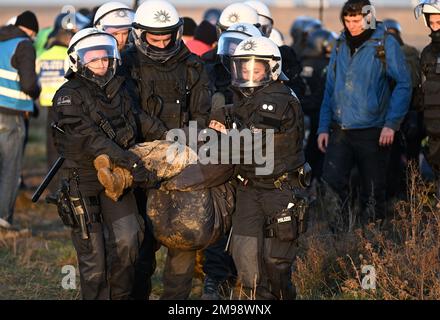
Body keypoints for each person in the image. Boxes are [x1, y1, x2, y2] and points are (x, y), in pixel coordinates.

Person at [51, 27, 166, 299]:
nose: (101, 63)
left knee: (128, 241)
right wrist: (132, 162)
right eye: (93, 58)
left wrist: (174, 136)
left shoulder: (119, 88)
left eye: (105, 57)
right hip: (83, 182)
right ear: (78, 61)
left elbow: (137, 119)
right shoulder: (68, 95)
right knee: (94, 260)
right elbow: (90, 139)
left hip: (118, 180)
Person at [120, 0, 211, 299]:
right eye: (153, 38)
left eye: (166, 37)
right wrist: (162, 137)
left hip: (183, 164)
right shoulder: (125, 64)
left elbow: (202, 115)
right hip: (140, 163)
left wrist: (184, 144)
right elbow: (127, 111)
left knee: (182, 243)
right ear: (140, 34)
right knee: (141, 246)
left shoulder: (193, 65)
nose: (161, 44)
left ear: (177, 33)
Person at [317, 0, 412, 231]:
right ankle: (338, 241)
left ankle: (371, 244)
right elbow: (330, 88)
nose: (352, 26)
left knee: (372, 191)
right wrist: (322, 126)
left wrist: (391, 124)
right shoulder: (339, 44)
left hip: (374, 131)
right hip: (341, 130)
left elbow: (404, 83)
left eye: (357, 20)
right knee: (331, 184)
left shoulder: (384, 44)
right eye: (347, 20)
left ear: (368, 18)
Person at [228, 36, 309, 300]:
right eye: (244, 68)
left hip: (280, 189)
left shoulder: (278, 99)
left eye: (256, 68)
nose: (248, 74)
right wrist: (222, 116)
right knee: (246, 260)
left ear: (272, 69)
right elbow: (239, 114)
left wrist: (215, 140)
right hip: (250, 188)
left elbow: (251, 141)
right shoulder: (246, 98)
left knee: (276, 263)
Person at [201, 22, 262, 300]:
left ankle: (248, 280)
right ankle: (215, 279)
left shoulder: (268, 84)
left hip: (254, 166)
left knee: (249, 225)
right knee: (218, 221)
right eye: (231, 48)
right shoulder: (213, 80)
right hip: (219, 162)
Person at [0, 11, 40, 230]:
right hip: (12, 113)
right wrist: (37, 91)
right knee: (10, 167)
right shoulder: (24, 45)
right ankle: (4, 219)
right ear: (32, 31)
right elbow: (29, 84)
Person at [301, 29, 337, 185]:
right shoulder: (327, 65)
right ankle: (318, 186)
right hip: (320, 116)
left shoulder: (301, 62)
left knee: (307, 154)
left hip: (303, 114)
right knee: (320, 154)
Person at [414, 0, 440, 199]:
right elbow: (421, 93)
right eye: (432, 22)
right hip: (433, 132)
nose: (435, 26)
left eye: (439, 21)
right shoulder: (428, 53)